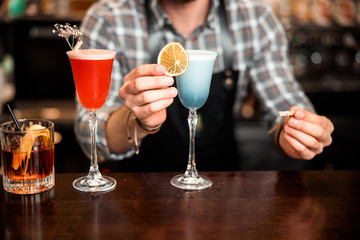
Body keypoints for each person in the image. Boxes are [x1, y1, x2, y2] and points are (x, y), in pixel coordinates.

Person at [75, 0, 334, 171]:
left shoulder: (253, 18)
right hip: (135, 201)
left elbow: (283, 106)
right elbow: (91, 140)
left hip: (223, 195)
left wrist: (298, 131)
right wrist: (140, 119)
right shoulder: (108, 18)